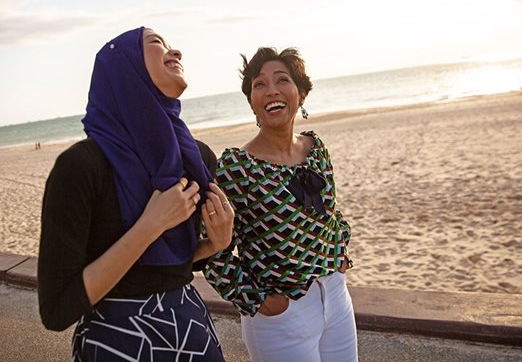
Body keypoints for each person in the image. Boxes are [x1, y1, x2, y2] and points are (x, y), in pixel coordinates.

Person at [38, 26, 234, 361]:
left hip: (191, 330)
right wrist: (149, 227)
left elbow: (172, 267)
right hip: (118, 342)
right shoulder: (81, 167)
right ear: (124, 67)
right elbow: (57, 309)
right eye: (157, 43)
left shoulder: (196, 157)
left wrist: (216, 244)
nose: (176, 52)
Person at [204, 47, 357, 362]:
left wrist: (341, 250)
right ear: (252, 102)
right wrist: (259, 301)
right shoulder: (237, 166)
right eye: (259, 84)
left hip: (336, 297)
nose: (271, 90)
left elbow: (332, 214)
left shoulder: (316, 149)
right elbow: (211, 248)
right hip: (281, 316)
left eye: (282, 80)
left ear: (300, 93)